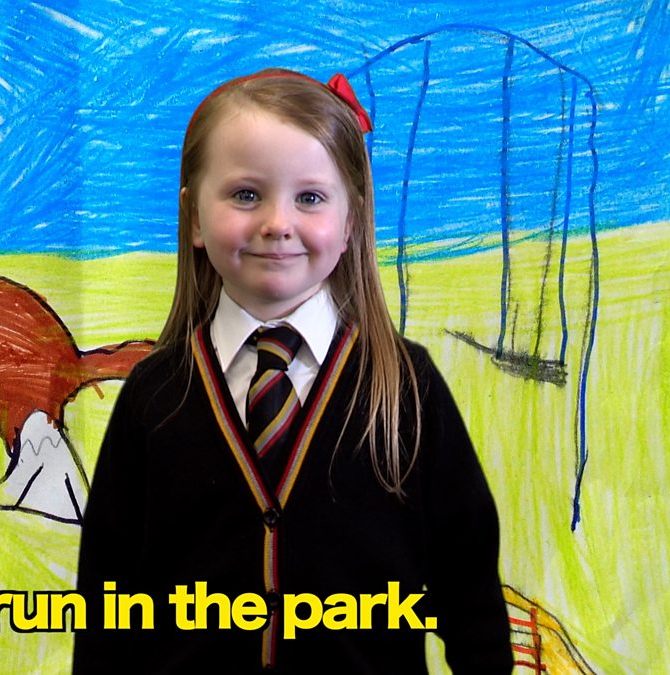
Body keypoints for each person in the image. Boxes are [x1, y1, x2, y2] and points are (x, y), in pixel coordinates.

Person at [73, 69, 512, 673]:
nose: (277, 222)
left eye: (309, 198)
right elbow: (105, 607)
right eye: (245, 195)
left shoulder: (407, 389)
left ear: (351, 220)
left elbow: (470, 597)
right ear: (194, 218)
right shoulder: (154, 396)